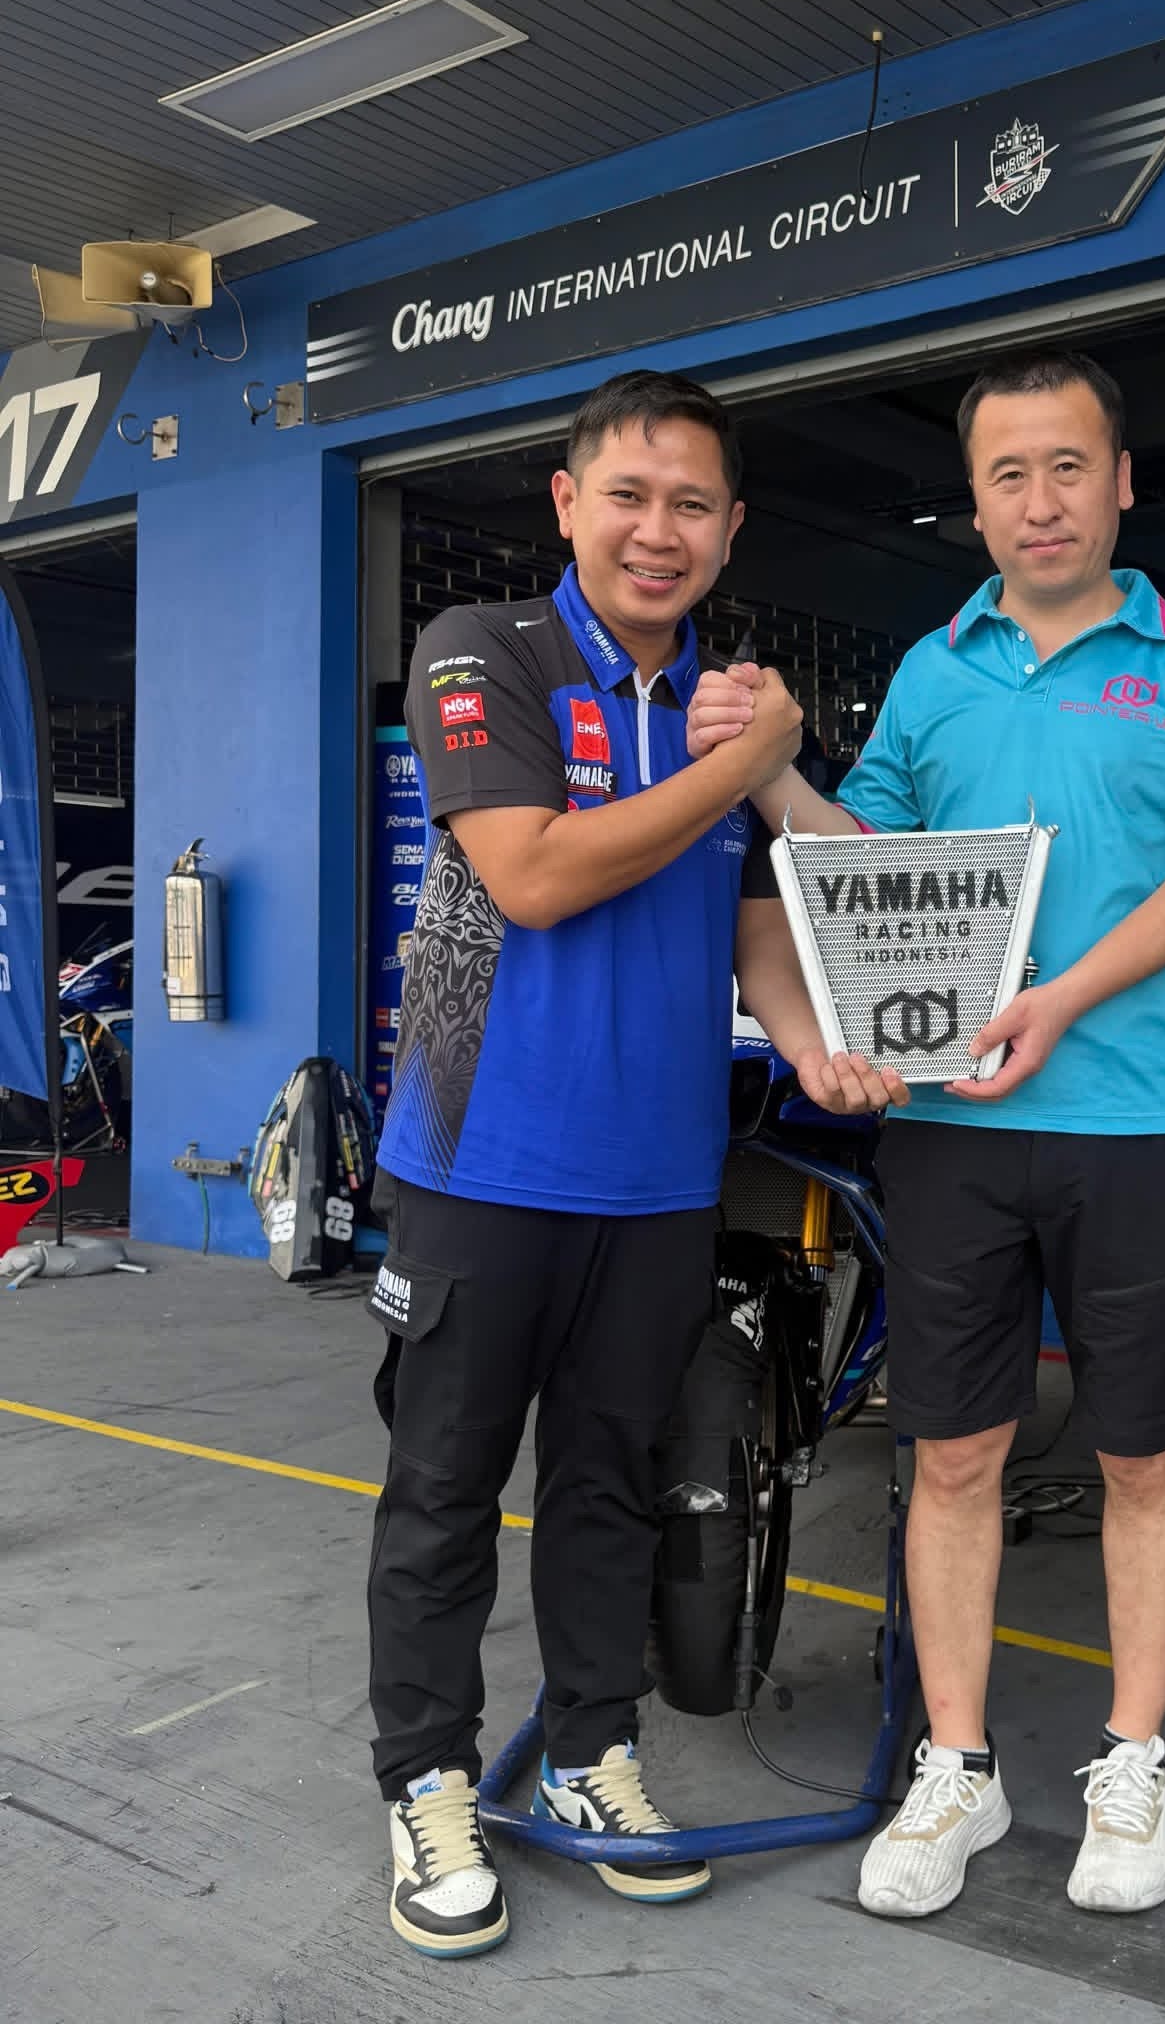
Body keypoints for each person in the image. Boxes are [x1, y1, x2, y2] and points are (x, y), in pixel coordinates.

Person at [688, 348, 1165, 1919]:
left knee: (1146, 1454)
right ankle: (958, 1765)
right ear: (973, 501)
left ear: (1123, 481)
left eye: (1068, 466)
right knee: (951, 1451)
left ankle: (1131, 1758)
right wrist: (769, 770)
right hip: (947, 1122)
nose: (1040, 501)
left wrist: (1064, 997)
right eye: (1008, 474)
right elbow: (865, 864)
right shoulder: (938, 672)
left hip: (1133, 1119)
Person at [367, 368, 904, 1960]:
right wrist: (741, 768)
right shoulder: (488, 655)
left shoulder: (732, 710)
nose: (656, 532)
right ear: (567, 503)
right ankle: (427, 1779)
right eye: (628, 496)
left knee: (610, 1491)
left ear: (730, 531)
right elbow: (532, 877)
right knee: (445, 1492)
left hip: (663, 1177)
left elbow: (753, 918)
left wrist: (812, 1047)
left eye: (691, 506)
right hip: (479, 1163)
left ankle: (596, 1753)